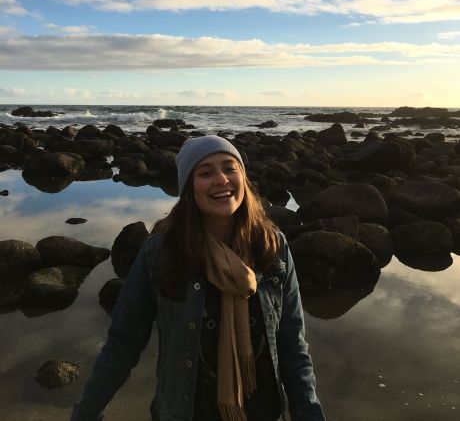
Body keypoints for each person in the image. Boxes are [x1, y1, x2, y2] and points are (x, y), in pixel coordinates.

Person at [71, 135, 325, 421]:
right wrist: (86, 414)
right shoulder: (161, 252)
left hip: (263, 412)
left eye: (230, 168)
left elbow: (293, 347)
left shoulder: (272, 247)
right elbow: (123, 344)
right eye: (205, 173)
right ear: (189, 188)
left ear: (243, 177)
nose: (221, 179)